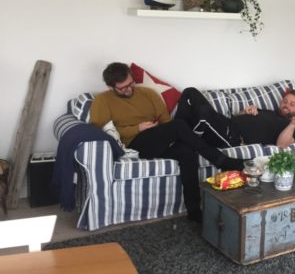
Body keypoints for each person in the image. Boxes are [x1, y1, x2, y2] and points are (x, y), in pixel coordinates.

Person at [89, 62, 246, 223]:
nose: (129, 89)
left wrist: (163, 132)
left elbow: (165, 121)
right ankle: (222, 161)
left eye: (131, 84)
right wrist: (137, 128)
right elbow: (104, 132)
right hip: (133, 144)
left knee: (187, 152)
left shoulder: (148, 94)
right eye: (123, 88)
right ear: (111, 87)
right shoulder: (102, 101)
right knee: (179, 126)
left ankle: (193, 211)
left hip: (157, 139)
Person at [174, 87, 295, 149]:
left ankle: (179, 137)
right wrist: (245, 111)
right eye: (285, 101)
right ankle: (178, 134)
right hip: (227, 123)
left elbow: (281, 144)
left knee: (203, 113)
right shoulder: (269, 112)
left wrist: (293, 124)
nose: (286, 105)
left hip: (234, 138)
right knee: (190, 92)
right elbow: (239, 117)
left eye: (292, 104)